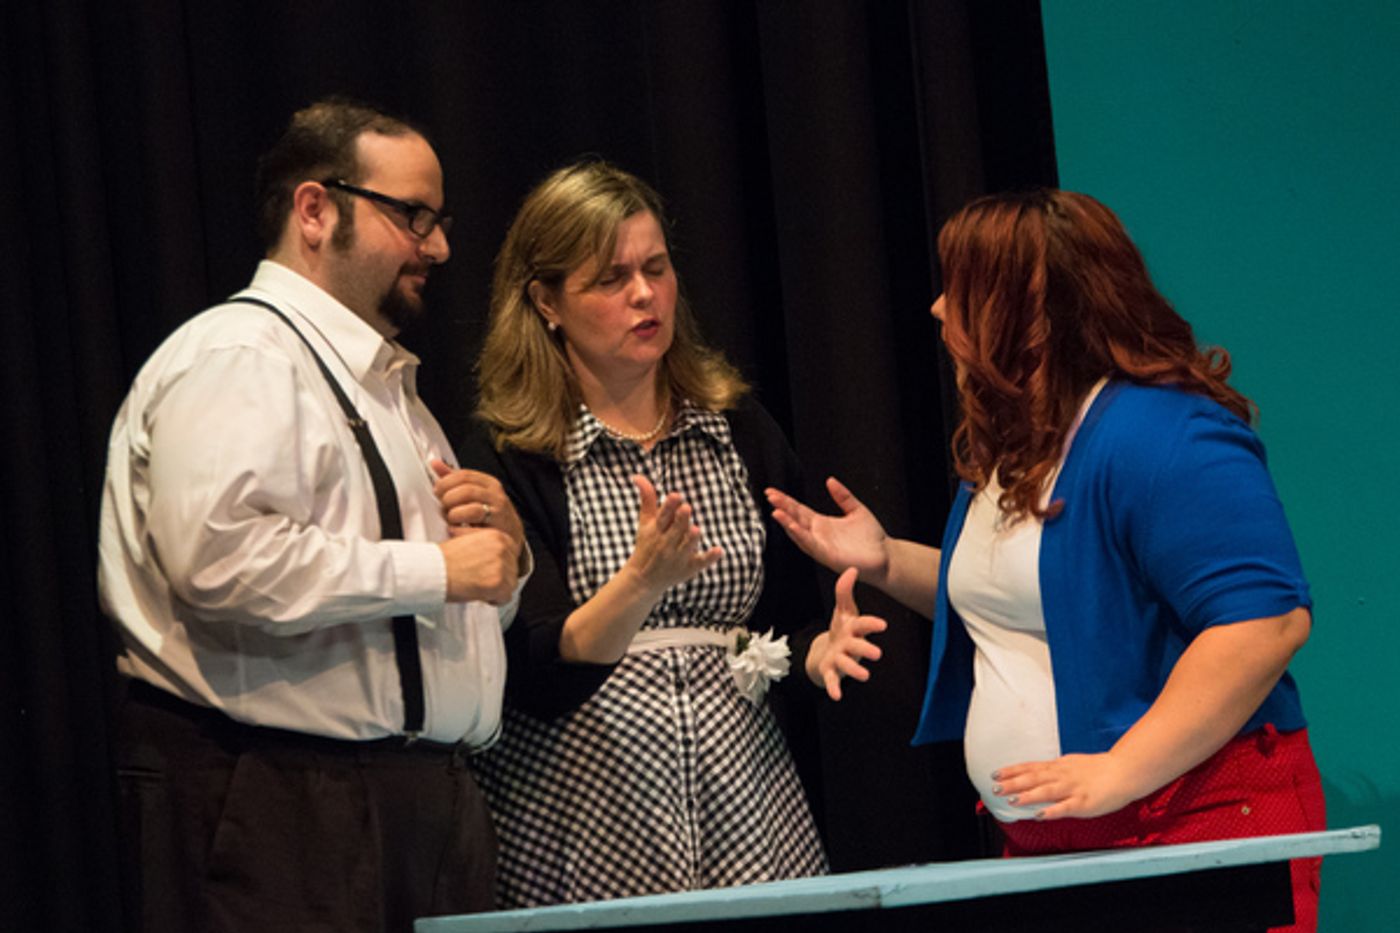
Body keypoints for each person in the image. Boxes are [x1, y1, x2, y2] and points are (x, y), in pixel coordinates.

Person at [767, 189, 1325, 932]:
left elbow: (1264, 624)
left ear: (1033, 309)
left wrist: (1117, 770)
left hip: (1191, 837)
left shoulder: (1166, 434)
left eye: (961, 290)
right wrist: (885, 560)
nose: (936, 309)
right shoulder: (1026, 438)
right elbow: (1049, 598)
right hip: (1061, 844)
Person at [98, 98, 528, 933]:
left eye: (438, 221)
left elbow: (460, 606)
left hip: (419, 806)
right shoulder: (239, 355)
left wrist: (503, 558)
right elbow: (221, 561)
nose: (437, 246)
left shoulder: (391, 393)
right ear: (315, 208)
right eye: (413, 216)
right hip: (284, 802)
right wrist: (442, 570)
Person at [438, 160, 828, 907]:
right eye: (610, 279)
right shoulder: (512, 452)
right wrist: (640, 581)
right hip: (582, 810)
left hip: (744, 800)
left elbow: (783, 620)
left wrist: (815, 653)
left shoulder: (738, 429)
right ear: (545, 300)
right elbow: (529, 669)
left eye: (656, 267)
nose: (644, 294)